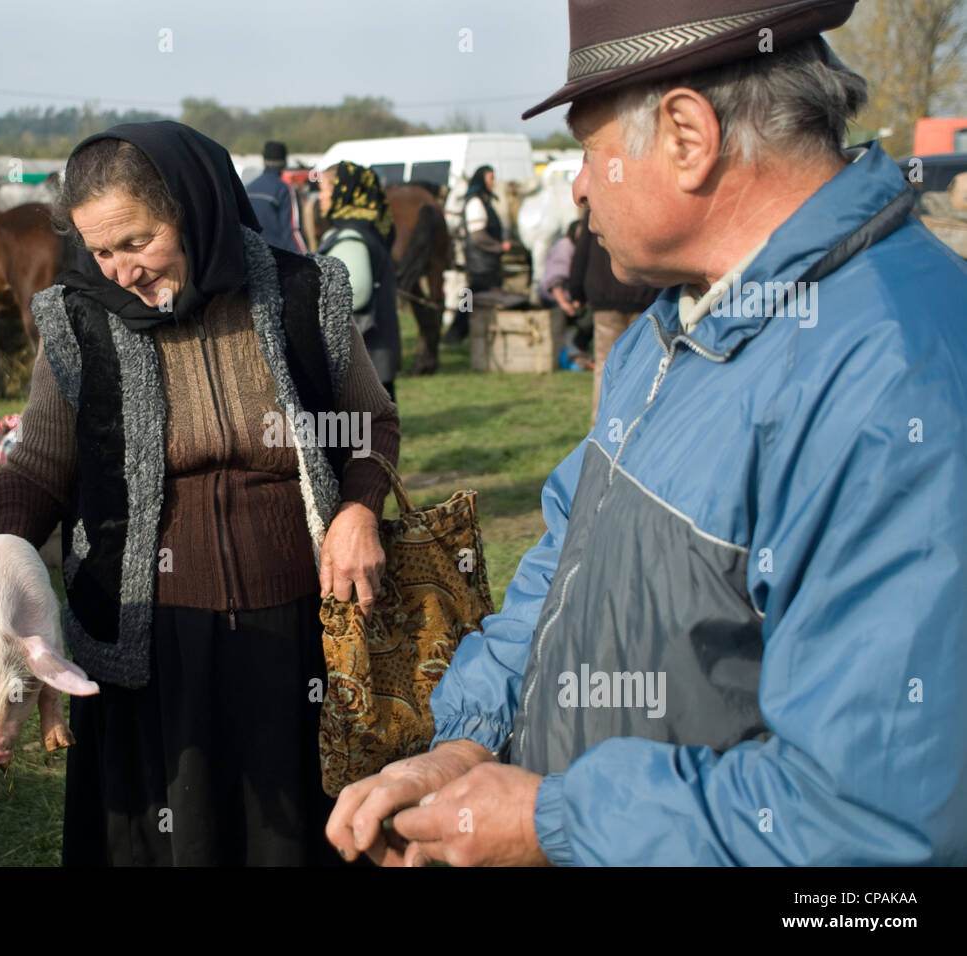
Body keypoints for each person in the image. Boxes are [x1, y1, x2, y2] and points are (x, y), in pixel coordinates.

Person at [327, 0, 967, 867]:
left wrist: (552, 824)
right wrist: (469, 743)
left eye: (589, 151)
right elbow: (570, 552)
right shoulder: (683, 320)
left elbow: (876, 828)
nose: (580, 186)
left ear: (686, 136)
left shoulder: (891, 378)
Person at [0, 121, 400, 866]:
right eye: (101, 250)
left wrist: (359, 508)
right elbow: (38, 467)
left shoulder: (305, 294)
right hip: (151, 644)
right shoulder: (79, 322)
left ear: (195, 208)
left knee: (295, 836)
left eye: (138, 241)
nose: (121, 271)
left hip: (298, 632)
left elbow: (369, 424)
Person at [315, 161, 401, 401]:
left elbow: (356, 294)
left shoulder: (351, 239)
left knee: (365, 433)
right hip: (373, 353)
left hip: (362, 358)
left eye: (324, 190)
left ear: (344, 192)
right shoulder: (367, 230)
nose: (320, 198)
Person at [568, 207, 658, 420]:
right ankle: (634, 431)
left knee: (605, 367)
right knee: (642, 368)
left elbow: (582, 252)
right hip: (643, 294)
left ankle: (601, 430)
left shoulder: (599, 199)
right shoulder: (646, 193)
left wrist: (576, 290)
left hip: (607, 296)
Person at [444, 165, 511, 344]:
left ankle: (462, 333)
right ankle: (456, 333)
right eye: (490, 177)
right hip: (480, 261)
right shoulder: (476, 202)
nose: (493, 182)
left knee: (472, 297)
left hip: (485, 261)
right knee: (471, 298)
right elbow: (477, 236)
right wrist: (499, 247)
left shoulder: (484, 200)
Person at [537, 219, 592, 371]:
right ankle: (573, 351)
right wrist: (563, 303)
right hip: (555, 298)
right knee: (586, 321)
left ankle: (576, 351)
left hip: (572, 297)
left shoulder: (578, 248)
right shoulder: (565, 247)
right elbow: (555, 279)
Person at [246, 140, 307, 253]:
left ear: (264, 160)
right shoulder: (284, 190)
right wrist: (307, 259)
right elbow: (292, 231)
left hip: (250, 256)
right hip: (276, 259)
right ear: (285, 162)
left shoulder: (248, 188)